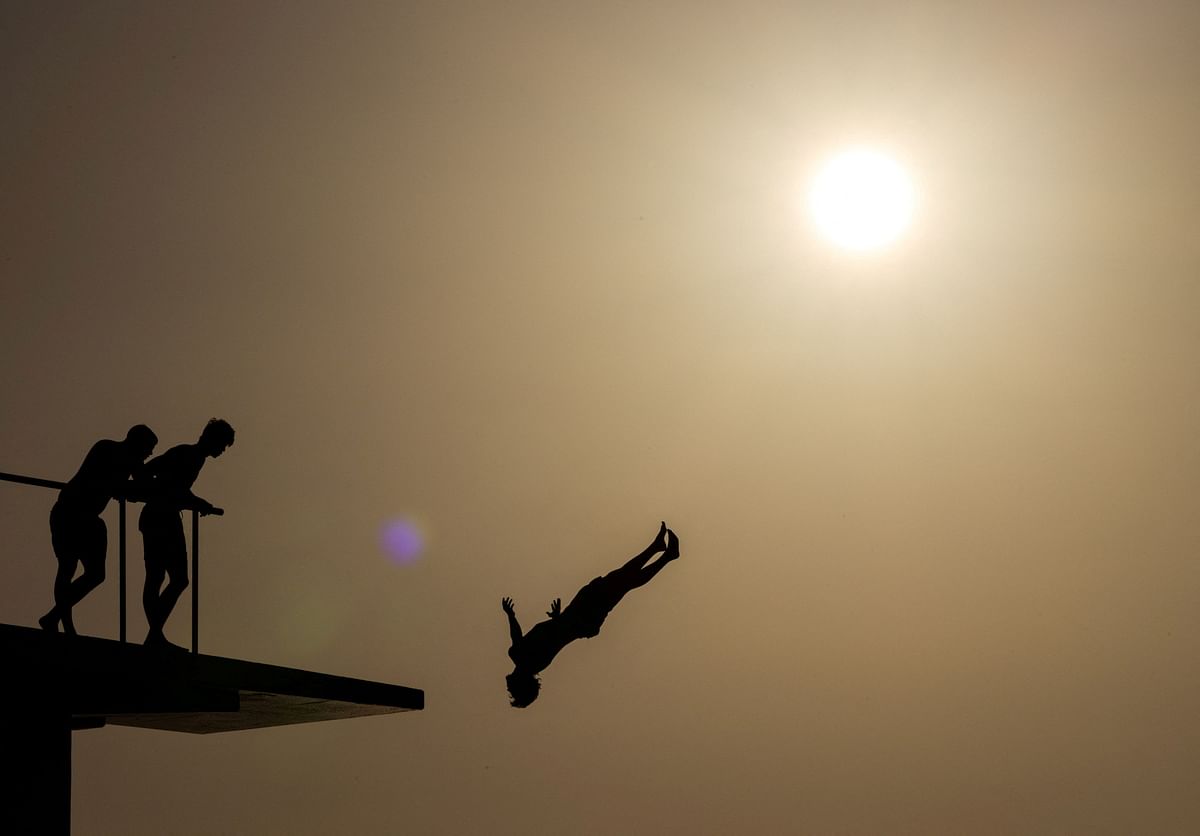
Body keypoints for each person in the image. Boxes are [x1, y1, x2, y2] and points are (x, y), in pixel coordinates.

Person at [502, 522, 680, 707]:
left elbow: (519, 635)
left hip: (578, 615)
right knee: (620, 582)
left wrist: (511, 615)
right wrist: (556, 618)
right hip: (583, 618)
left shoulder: (518, 655)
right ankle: (663, 553)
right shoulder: (531, 661)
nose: (508, 687)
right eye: (512, 691)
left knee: (621, 581)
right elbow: (559, 635)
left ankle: (661, 551)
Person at [39, 424, 159, 635]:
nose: (149, 454)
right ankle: (62, 623)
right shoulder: (107, 448)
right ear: (137, 443)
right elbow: (106, 480)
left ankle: (54, 616)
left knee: (95, 574)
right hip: (70, 511)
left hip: (91, 519)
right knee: (67, 567)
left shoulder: (132, 462)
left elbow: (145, 486)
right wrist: (128, 487)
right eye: (148, 448)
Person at [137, 418, 234, 648]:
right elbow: (165, 480)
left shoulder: (194, 457)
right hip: (160, 518)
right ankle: (154, 636)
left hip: (166, 517)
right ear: (212, 438)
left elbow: (176, 486)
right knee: (162, 578)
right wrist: (194, 501)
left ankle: (155, 635)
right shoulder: (187, 454)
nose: (222, 451)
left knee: (174, 579)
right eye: (222, 445)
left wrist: (194, 501)